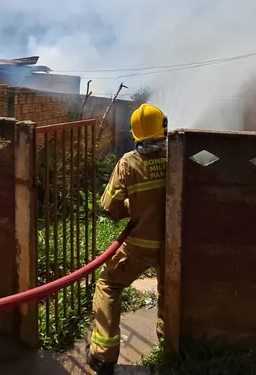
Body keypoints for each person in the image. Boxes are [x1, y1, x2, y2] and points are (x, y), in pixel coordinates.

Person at [86, 103, 168, 375]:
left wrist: (131, 209)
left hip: (140, 247)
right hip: (173, 247)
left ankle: (103, 356)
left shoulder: (128, 163)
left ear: (135, 134)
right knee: (171, 293)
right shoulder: (177, 158)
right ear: (162, 129)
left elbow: (109, 205)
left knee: (108, 285)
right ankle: (171, 352)